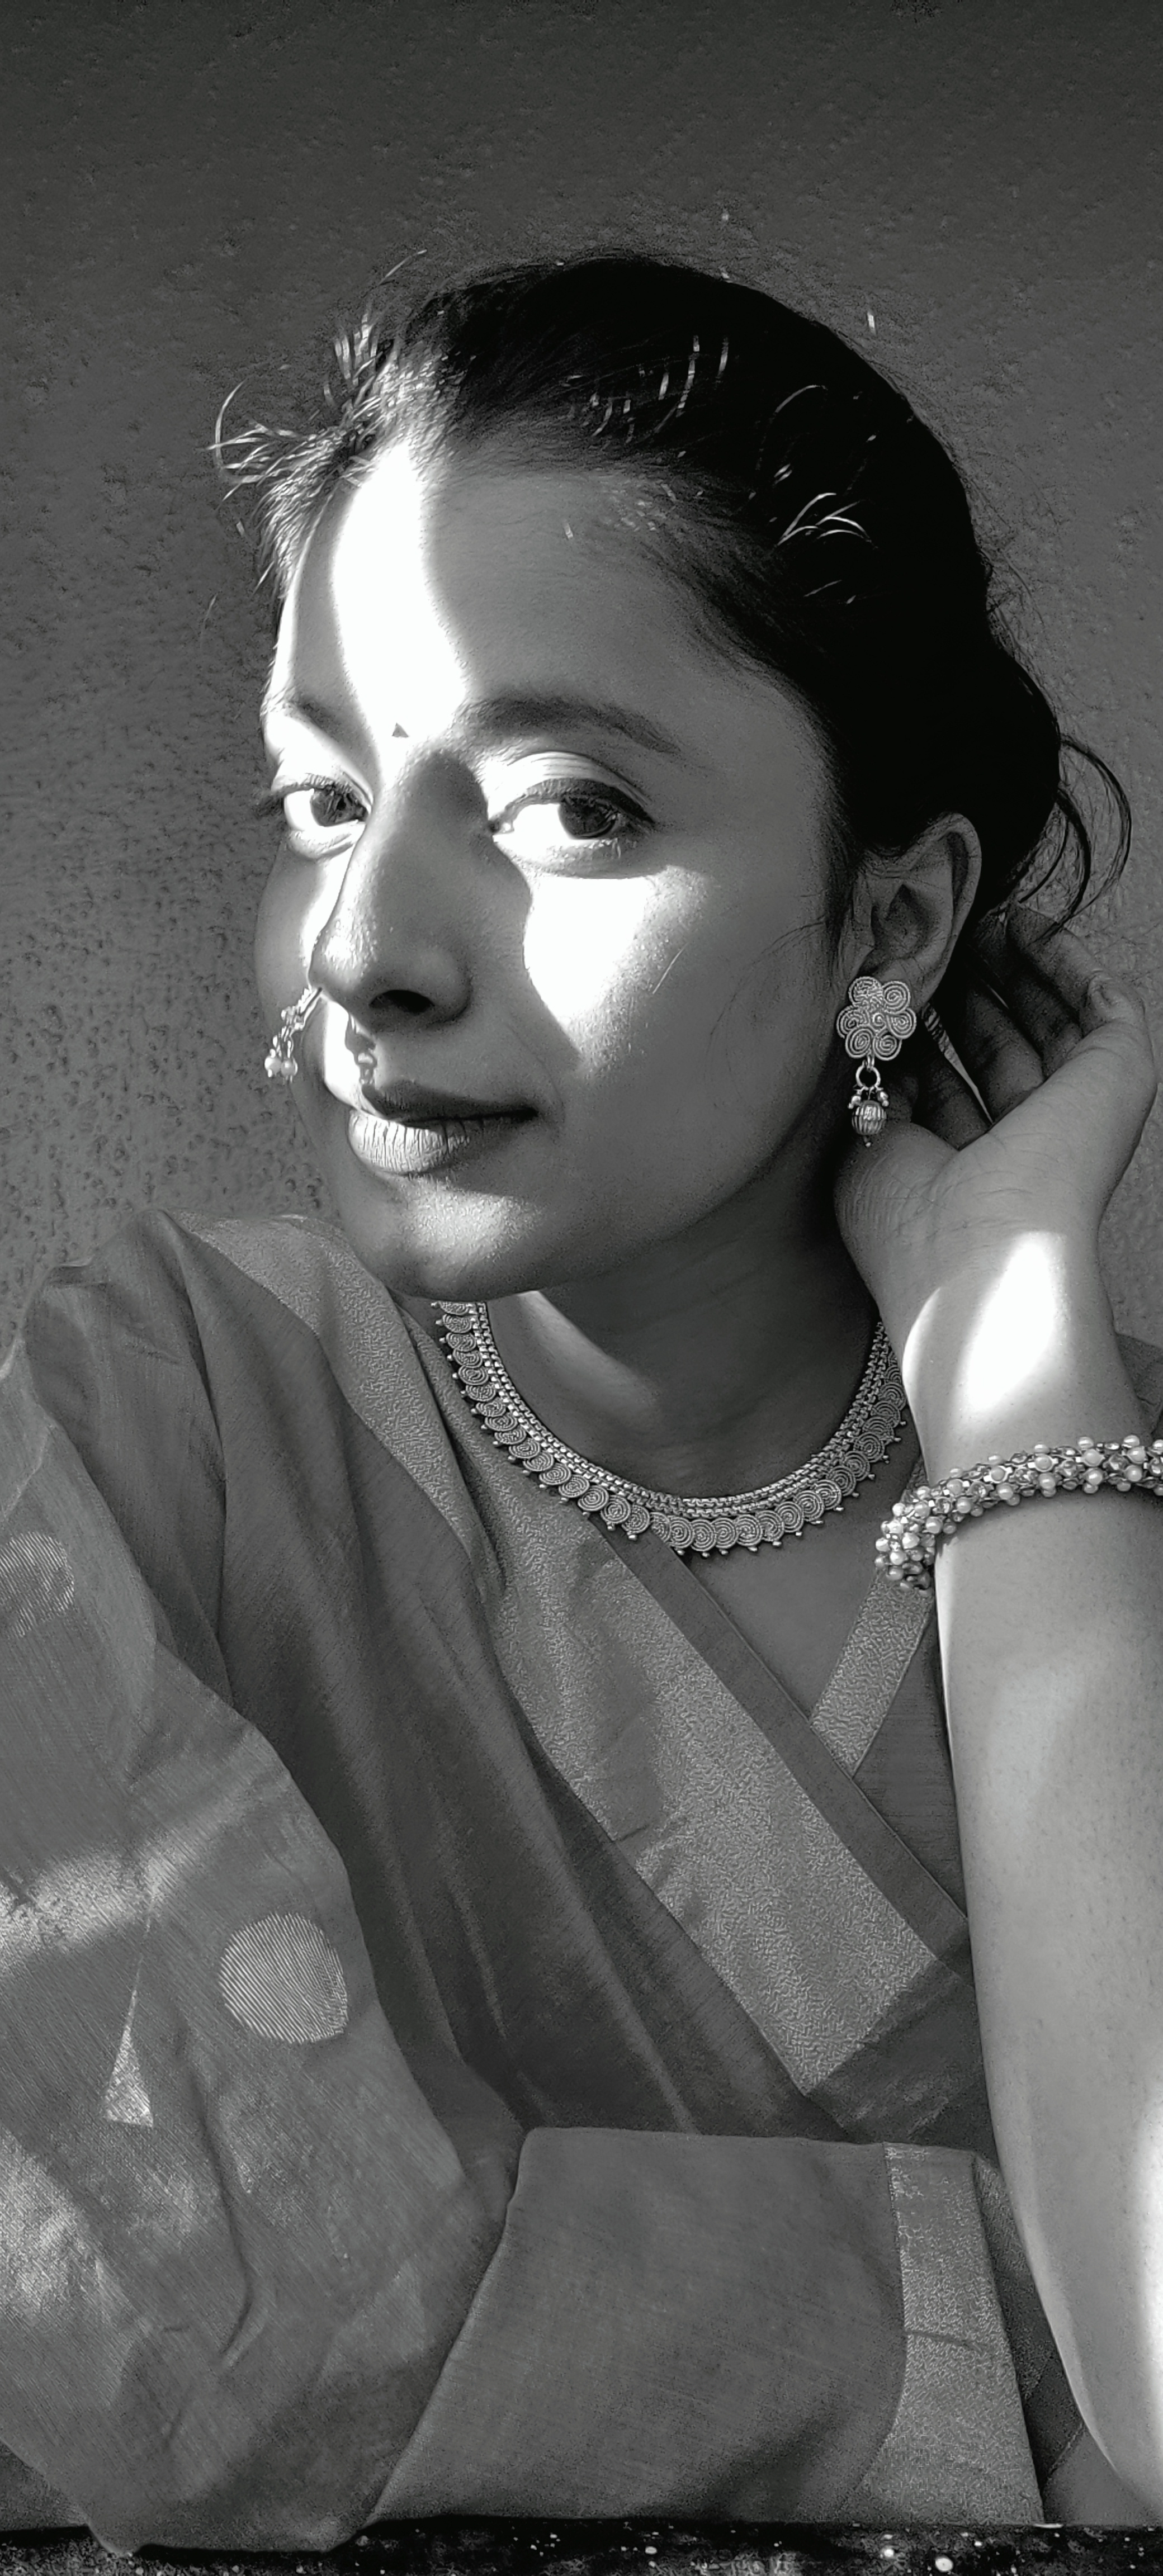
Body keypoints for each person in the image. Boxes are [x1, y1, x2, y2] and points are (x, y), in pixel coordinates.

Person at [2, 252, 1161, 2550]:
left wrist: (1019, 1374)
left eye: (573, 809)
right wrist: (1012, 2353)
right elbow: (199, 2307)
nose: (368, 950)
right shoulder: (147, 1430)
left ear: (892, 921)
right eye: (321, 801)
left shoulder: (1100, 1521)